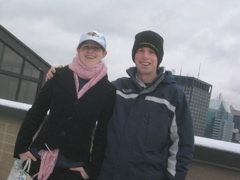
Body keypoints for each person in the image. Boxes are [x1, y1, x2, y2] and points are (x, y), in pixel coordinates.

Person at [46, 30, 194, 180]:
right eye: (140, 51)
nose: (145, 56)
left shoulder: (173, 95)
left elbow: (182, 146)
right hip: (107, 174)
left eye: (151, 52)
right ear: (134, 55)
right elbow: (82, 98)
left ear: (159, 58)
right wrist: (59, 74)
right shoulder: (117, 88)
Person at [13, 30, 116, 180]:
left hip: (73, 169)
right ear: (78, 50)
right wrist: (21, 148)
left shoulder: (108, 90)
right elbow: (36, 113)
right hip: (37, 161)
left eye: (96, 48)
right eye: (85, 46)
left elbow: (102, 134)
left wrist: (92, 169)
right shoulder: (59, 75)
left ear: (104, 53)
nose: (90, 51)